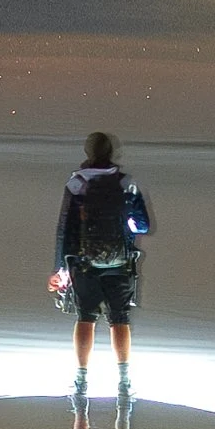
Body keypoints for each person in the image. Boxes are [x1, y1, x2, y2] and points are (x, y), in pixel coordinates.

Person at [53, 127, 152, 389]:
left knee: (85, 317)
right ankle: (123, 379)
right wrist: (125, 225)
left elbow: (66, 228)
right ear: (112, 152)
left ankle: (82, 378)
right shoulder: (126, 183)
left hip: (84, 263)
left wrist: (60, 268)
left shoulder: (77, 184)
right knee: (119, 318)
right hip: (121, 262)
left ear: (88, 152)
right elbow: (143, 225)